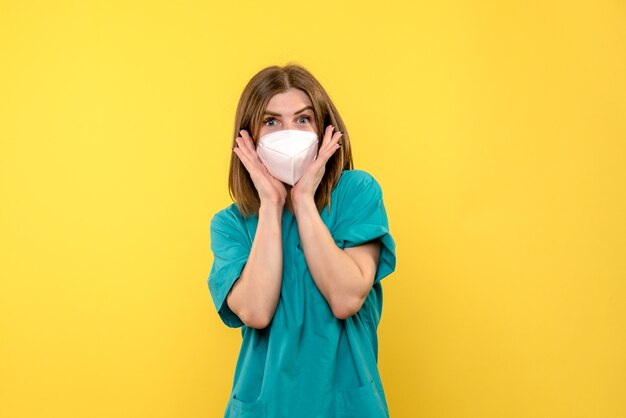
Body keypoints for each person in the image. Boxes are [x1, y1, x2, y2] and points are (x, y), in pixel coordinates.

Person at [207, 63, 397, 418]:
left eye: (303, 119)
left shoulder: (356, 194)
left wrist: (304, 202)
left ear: (325, 130)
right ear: (248, 137)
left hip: (347, 408)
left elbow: (345, 297)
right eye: (271, 122)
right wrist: (272, 204)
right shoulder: (231, 225)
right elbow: (256, 311)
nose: (289, 132)